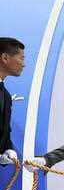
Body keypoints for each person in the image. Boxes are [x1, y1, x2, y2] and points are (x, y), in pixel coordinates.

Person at [0, 38, 24, 168]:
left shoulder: (7, 96)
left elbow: (5, 132)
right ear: (5, 58)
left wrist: (8, 149)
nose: (24, 64)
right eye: (21, 58)